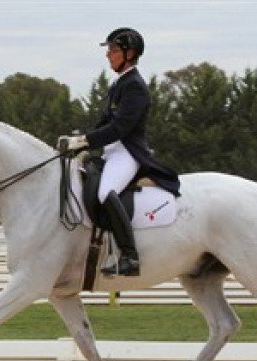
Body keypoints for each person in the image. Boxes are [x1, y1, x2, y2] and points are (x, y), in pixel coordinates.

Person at [57, 27, 180, 277]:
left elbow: (120, 128)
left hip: (128, 153)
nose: (108, 55)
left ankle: (130, 256)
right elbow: (104, 123)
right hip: (111, 152)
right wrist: (79, 143)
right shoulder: (120, 84)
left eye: (112, 50)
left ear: (129, 53)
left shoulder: (135, 86)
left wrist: (84, 141)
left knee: (105, 193)